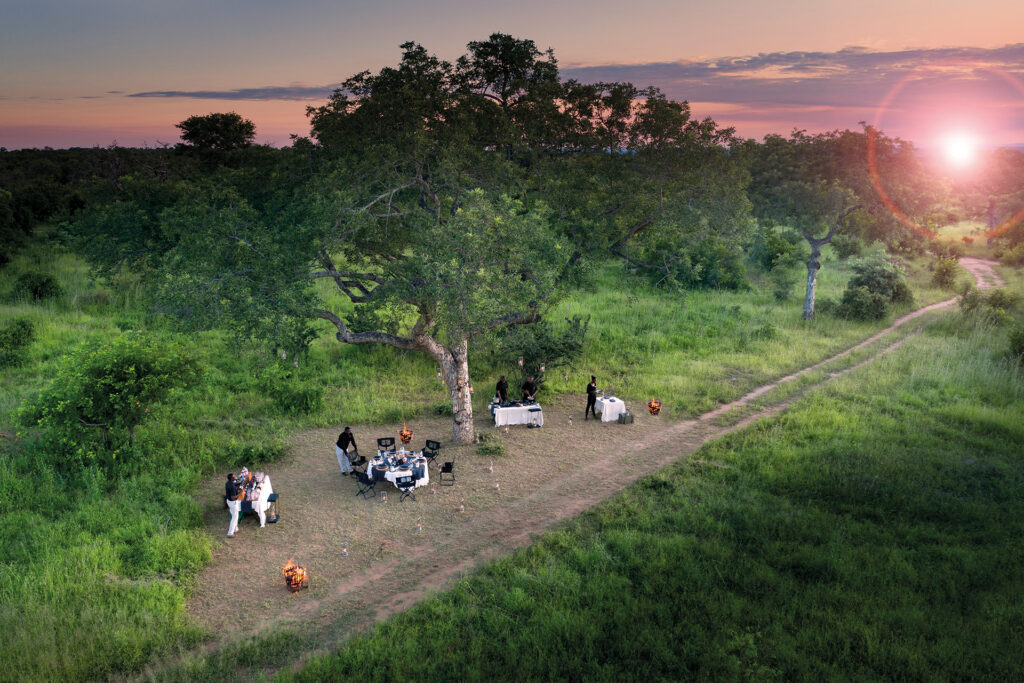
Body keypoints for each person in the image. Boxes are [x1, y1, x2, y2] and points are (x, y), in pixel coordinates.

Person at [225, 473, 241, 538]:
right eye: (234, 476)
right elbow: (232, 497)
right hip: (233, 502)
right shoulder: (232, 486)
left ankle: (235, 528)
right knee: (234, 517)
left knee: (234, 515)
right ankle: (230, 533)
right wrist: (239, 494)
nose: (235, 476)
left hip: (228, 501)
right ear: (231, 478)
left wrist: (236, 488)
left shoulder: (228, 483)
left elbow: (231, 489)